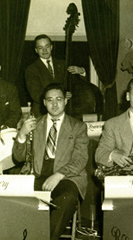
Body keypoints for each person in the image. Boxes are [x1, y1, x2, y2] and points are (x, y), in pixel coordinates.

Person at [13, 83, 88, 240]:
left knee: (67, 198)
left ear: (65, 101)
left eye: (59, 99)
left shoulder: (78, 127)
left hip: (67, 177)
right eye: (50, 100)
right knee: (14, 197)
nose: (55, 104)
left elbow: (80, 159)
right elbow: (18, 158)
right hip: (37, 174)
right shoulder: (34, 125)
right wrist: (22, 134)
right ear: (44, 102)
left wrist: (59, 175)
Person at [25, 34, 86, 117]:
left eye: (47, 46)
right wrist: (60, 96)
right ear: (36, 50)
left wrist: (81, 72)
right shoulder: (31, 69)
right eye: (40, 48)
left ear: (51, 47)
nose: (44, 50)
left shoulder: (63, 64)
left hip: (65, 113)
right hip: (42, 113)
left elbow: (77, 86)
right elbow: (36, 95)